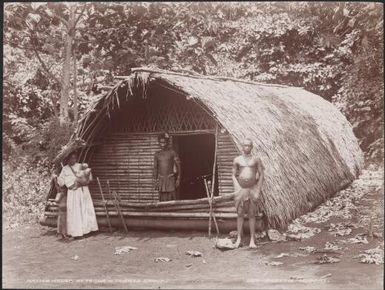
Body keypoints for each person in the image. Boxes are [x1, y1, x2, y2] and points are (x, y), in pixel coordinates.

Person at [232, 138, 264, 248]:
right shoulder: (237, 160)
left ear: (252, 147)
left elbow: (261, 175)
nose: (247, 147)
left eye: (249, 145)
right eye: (245, 145)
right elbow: (233, 175)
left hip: (252, 189)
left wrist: (258, 189)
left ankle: (252, 240)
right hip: (241, 190)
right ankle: (239, 239)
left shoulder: (256, 159)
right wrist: (237, 188)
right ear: (242, 146)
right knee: (240, 214)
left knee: (251, 214)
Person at [57, 152, 98, 238]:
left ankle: (87, 230)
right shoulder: (65, 169)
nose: (73, 160)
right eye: (71, 158)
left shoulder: (80, 166)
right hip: (73, 192)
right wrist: (57, 178)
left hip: (83, 190)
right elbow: (61, 182)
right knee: (75, 212)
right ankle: (77, 232)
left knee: (85, 210)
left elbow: (89, 177)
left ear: (76, 158)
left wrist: (82, 179)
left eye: (74, 158)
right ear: (67, 159)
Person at [153, 133, 181, 201]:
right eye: (161, 142)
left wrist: (178, 178)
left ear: (167, 143)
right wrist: (155, 181)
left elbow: (179, 165)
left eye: (164, 142)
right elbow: (155, 168)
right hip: (161, 180)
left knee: (172, 199)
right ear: (159, 143)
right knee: (162, 199)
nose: (163, 144)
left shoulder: (172, 153)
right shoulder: (157, 154)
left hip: (170, 179)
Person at [51, 165, 68, 240]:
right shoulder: (62, 188)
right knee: (63, 219)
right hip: (63, 204)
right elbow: (59, 188)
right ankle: (63, 234)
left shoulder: (58, 182)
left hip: (62, 204)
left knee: (61, 218)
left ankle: (60, 233)